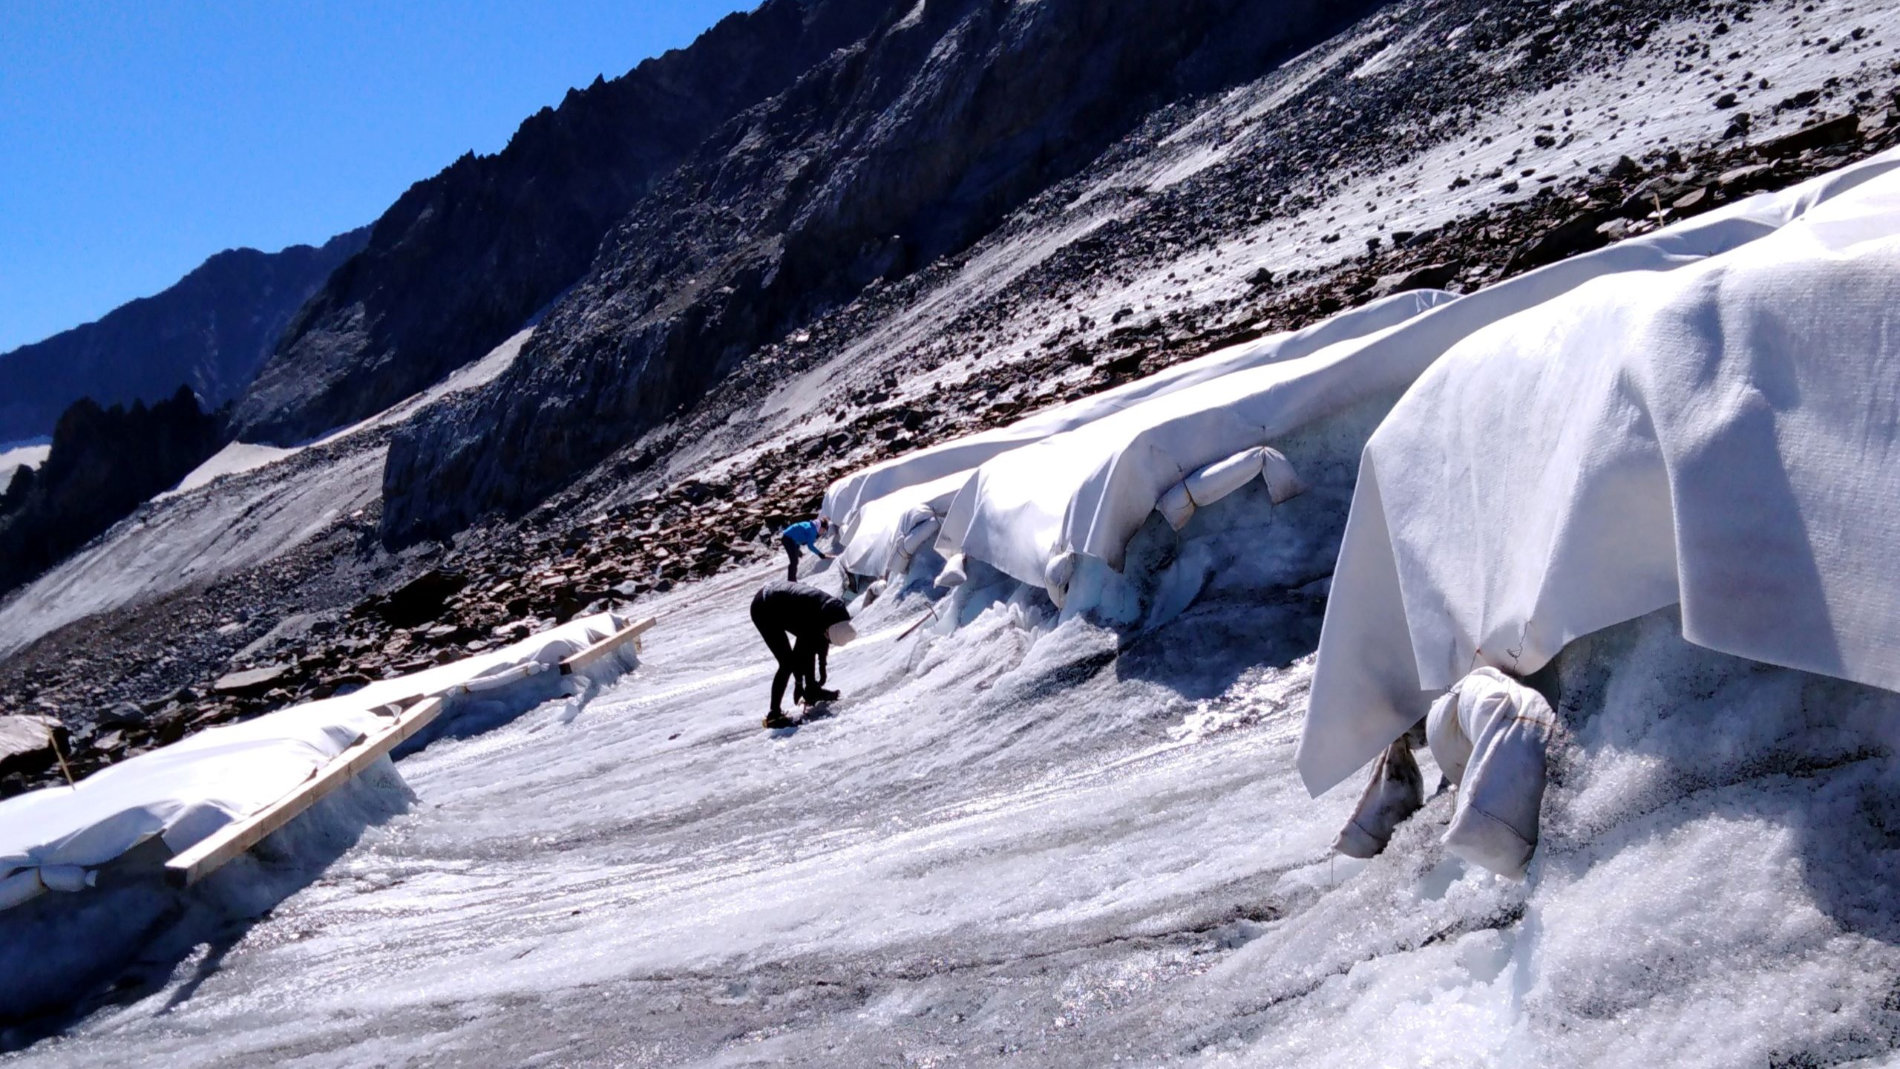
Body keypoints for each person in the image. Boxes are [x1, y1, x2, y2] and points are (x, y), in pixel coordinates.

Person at [750, 579, 856, 728]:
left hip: (784, 600)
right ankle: (774, 715)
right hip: (765, 607)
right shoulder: (811, 617)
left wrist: (822, 668)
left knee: (813, 641)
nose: (828, 643)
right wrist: (799, 683)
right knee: (787, 663)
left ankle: (812, 690)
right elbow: (803, 652)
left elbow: (821, 641)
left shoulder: (838, 615)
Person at [779, 517, 833, 581]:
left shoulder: (812, 525)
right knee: (794, 562)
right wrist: (821, 555)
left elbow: (799, 532)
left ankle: (798, 553)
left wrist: (798, 551)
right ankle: (791, 581)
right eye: (823, 530)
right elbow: (810, 546)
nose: (823, 532)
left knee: (796, 555)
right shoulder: (812, 531)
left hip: (791, 538)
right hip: (788, 539)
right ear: (820, 527)